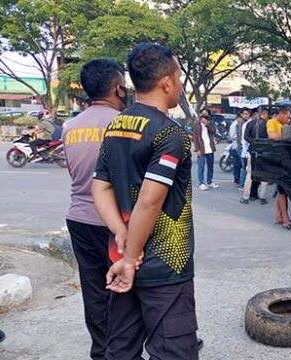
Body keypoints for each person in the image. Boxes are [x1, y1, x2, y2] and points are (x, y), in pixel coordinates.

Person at [91, 42, 198, 359]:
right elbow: (150, 202)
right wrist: (133, 255)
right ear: (167, 81)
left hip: (122, 258)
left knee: (121, 349)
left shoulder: (116, 125)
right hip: (163, 266)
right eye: (178, 77)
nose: (178, 84)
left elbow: (100, 187)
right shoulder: (170, 134)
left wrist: (122, 239)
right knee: (173, 351)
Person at [61, 59, 127, 360]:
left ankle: (101, 351)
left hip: (78, 218)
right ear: (118, 87)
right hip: (115, 224)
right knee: (125, 287)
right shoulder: (122, 124)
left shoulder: (69, 127)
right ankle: (126, 349)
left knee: (94, 289)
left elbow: (75, 172)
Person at [267, 106, 291, 231]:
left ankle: (279, 216)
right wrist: (286, 136)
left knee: (281, 189)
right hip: (278, 160)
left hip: (285, 160)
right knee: (283, 191)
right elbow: (272, 136)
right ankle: (286, 219)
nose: (289, 118)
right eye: (288, 116)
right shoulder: (272, 122)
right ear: (281, 114)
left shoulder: (284, 125)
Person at [241, 108, 269, 205]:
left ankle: (245, 197)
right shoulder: (267, 124)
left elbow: (245, 137)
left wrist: (253, 142)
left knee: (249, 175)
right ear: (263, 113)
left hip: (252, 151)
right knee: (264, 176)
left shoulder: (250, 124)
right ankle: (262, 197)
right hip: (264, 152)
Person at [192, 108, 218, 191]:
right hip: (201, 148)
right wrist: (197, 149)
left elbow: (214, 131)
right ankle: (201, 183)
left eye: (206, 114)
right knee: (201, 166)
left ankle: (209, 181)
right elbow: (195, 137)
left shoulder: (210, 122)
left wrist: (207, 124)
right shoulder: (197, 123)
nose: (204, 115)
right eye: (202, 114)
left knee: (210, 166)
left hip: (210, 147)